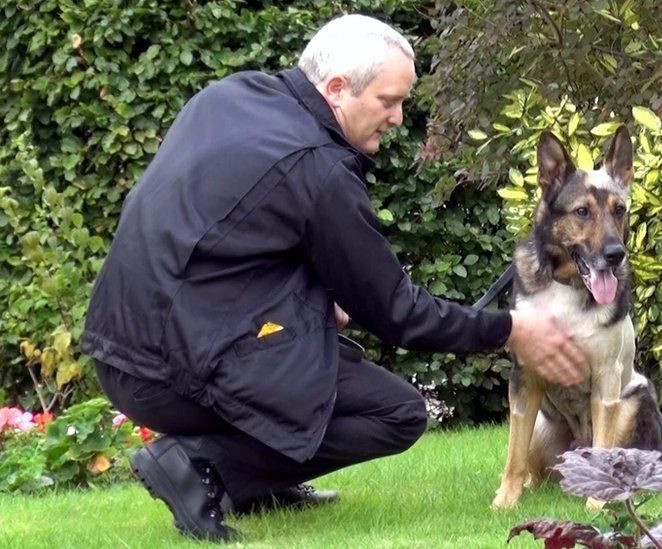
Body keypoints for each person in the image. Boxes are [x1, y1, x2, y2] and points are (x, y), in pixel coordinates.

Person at [81, 13, 586, 542]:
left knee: (316, 354)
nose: (396, 118)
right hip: (169, 371)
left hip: (118, 344)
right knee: (397, 413)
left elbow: (221, 240)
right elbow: (397, 312)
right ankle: (198, 465)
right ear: (338, 89)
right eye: (387, 102)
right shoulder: (318, 168)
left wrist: (313, 295)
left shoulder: (230, 96)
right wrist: (509, 329)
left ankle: (259, 486)